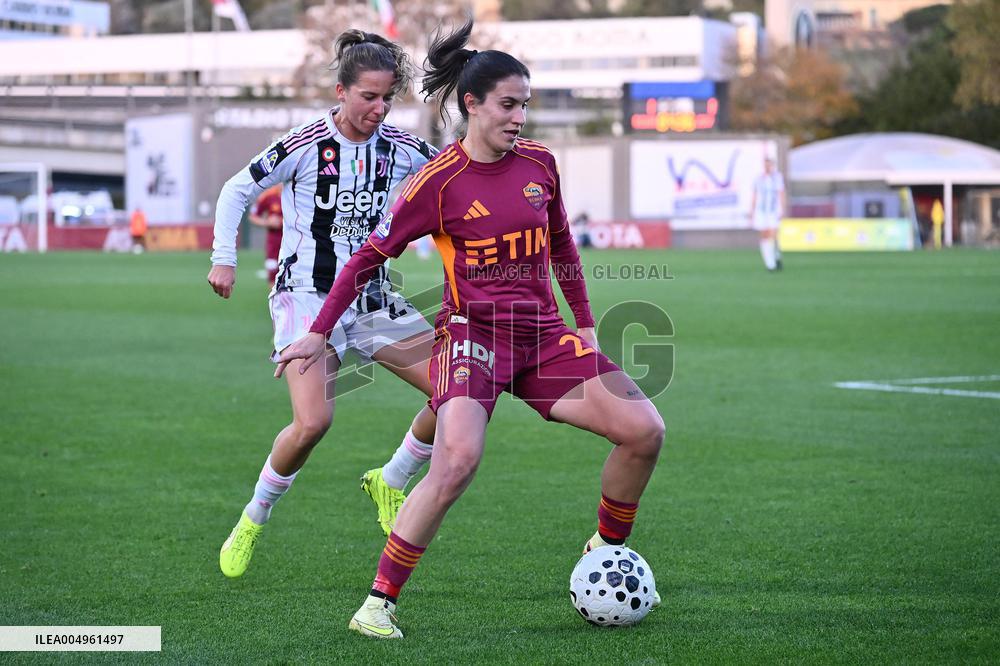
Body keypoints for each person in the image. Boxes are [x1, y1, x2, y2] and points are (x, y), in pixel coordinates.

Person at [277, 18, 665, 639]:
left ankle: (605, 550)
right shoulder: (437, 183)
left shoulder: (541, 164)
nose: (519, 118)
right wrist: (320, 331)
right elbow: (366, 259)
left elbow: (562, 245)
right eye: (509, 105)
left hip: (541, 337)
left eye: (525, 106)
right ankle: (378, 602)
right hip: (472, 339)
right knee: (457, 459)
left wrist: (585, 325)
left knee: (644, 430)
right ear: (471, 104)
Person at [208, 30, 445, 579]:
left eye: (388, 98)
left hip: (373, 297)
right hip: (306, 297)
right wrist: (225, 257)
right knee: (313, 421)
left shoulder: (404, 147)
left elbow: (451, 185)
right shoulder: (305, 143)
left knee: (457, 390)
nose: (379, 108)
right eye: (368, 96)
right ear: (341, 91)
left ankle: (390, 479)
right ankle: (253, 516)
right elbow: (235, 188)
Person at [749, 156, 786, 271]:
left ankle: (776, 256)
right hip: (761, 211)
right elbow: (755, 195)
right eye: (765, 165)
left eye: (769, 165)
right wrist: (752, 211)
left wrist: (782, 209)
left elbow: (781, 193)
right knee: (765, 235)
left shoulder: (777, 178)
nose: (767, 167)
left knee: (773, 235)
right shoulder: (758, 179)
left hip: (773, 211)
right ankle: (770, 263)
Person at [248, 184, 283, 284]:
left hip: (296, 241)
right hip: (274, 241)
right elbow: (253, 216)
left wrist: (283, 221)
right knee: (272, 273)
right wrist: (268, 222)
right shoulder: (268, 195)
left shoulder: (300, 192)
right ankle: (275, 300)